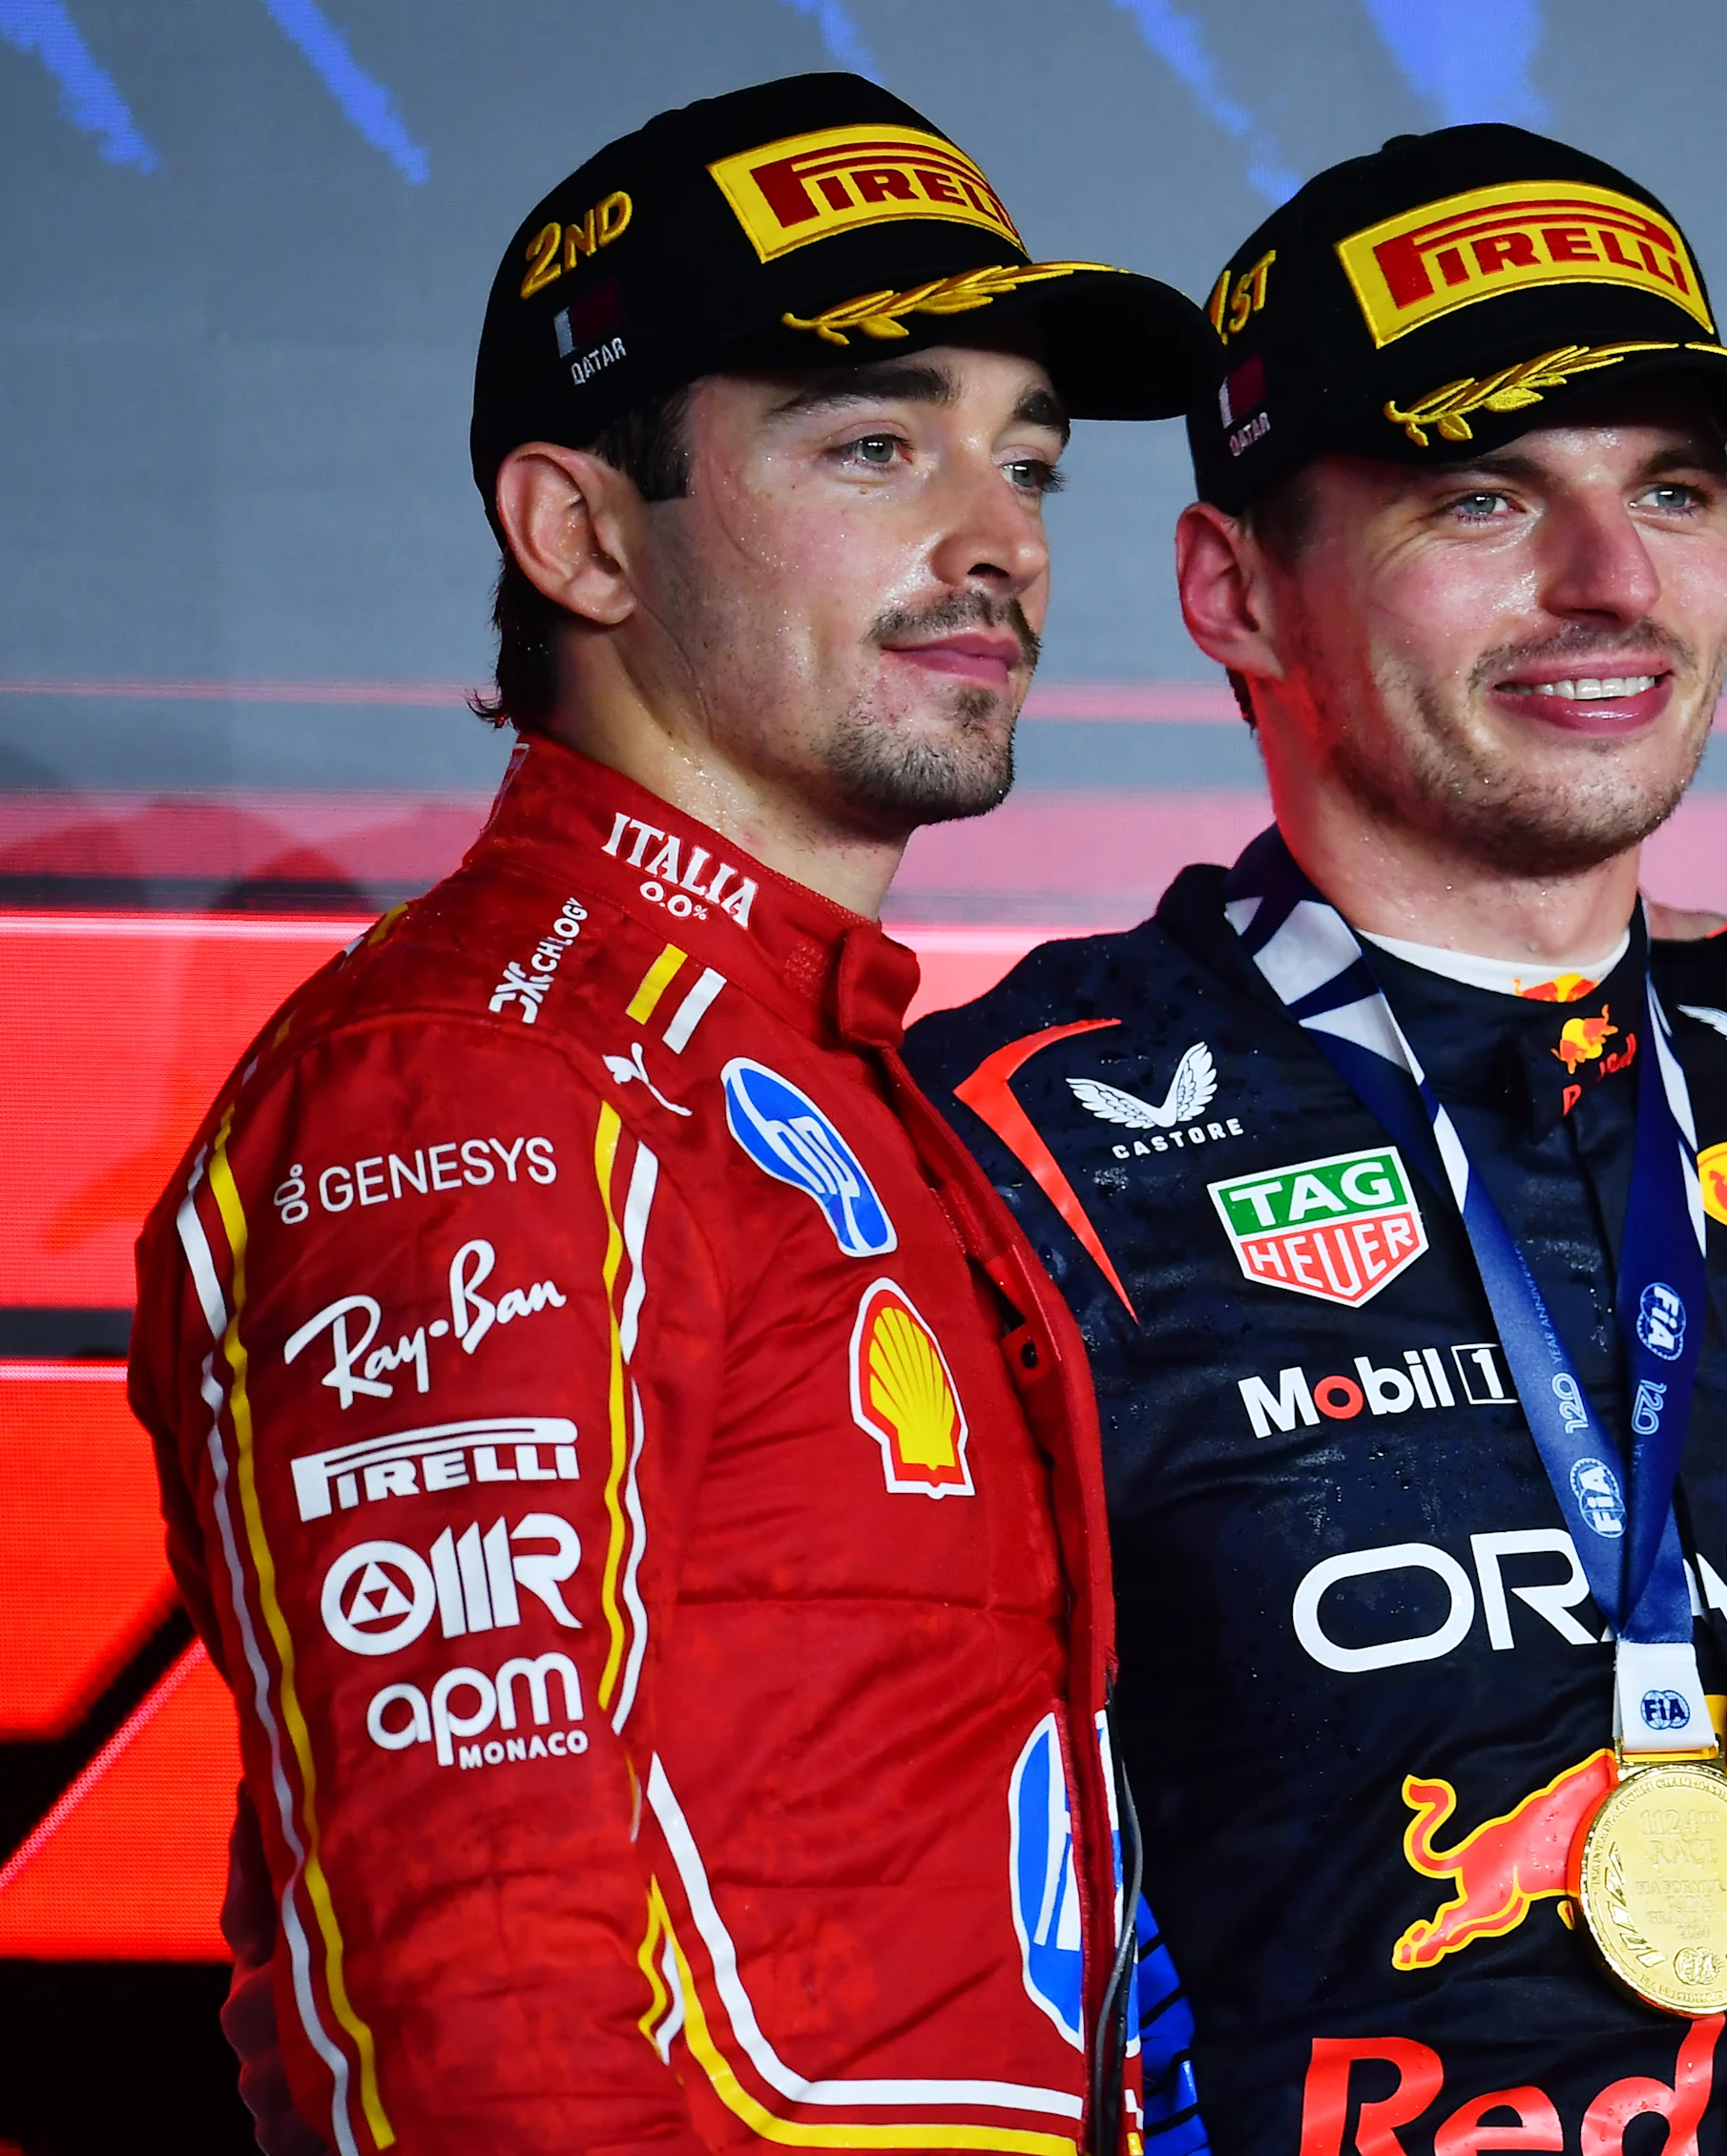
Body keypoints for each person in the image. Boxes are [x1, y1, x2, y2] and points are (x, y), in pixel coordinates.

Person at [129, 74, 1211, 2152]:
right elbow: (478, 1980)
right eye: (878, 444)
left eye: (1032, 463)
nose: (995, 541)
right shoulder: (480, 1082)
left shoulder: (808, 1065)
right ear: (580, 530)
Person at [908, 126, 1727, 2151]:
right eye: (1484, 495)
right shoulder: (1005, 1144)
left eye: (1670, 488)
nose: (1610, 582)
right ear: (1231, 587)